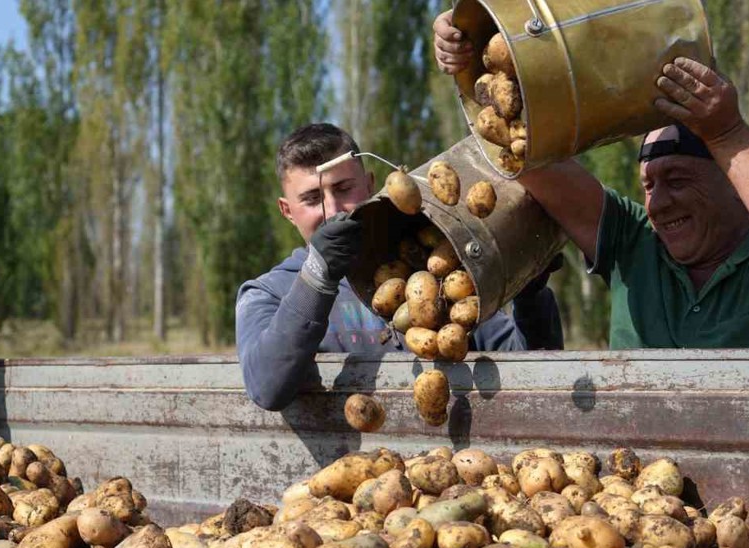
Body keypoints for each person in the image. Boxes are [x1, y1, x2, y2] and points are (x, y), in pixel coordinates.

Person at [433, 12, 749, 348]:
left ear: (734, 180)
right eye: (648, 185)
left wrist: (726, 133)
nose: (659, 202)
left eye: (678, 179)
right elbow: (523, 153)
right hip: (637, 456)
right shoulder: (635, 244)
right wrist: (470, 54)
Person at [236, 123, 564, 410]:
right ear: (287, 210)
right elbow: (267, 389)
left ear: (370, 184)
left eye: (343, 189)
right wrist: (319, 275)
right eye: (311, 199)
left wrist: (530, 293)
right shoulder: (268, 293)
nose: (333, 211)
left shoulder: (429, 267)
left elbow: (528, 367)